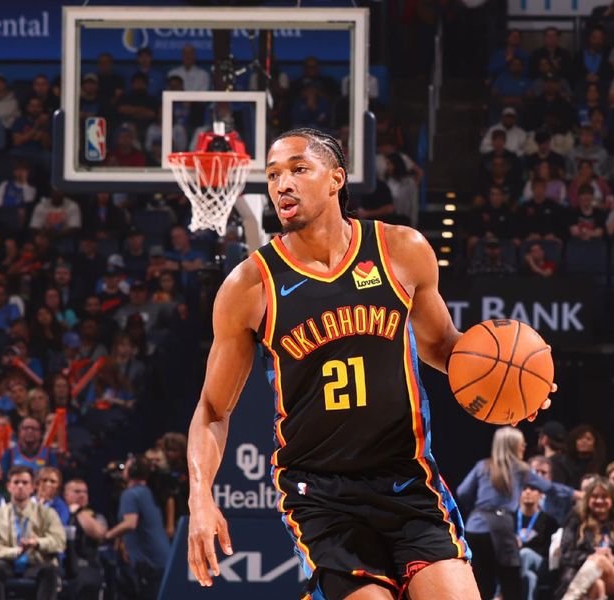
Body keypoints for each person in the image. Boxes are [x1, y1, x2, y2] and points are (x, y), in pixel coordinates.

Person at [186, 127, 554, 598]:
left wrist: (513, 388)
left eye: (299, 169)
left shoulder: (401, 251)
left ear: (337, 178)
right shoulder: (250, 286)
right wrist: (200, 496)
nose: (282, 184)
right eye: (273, 174)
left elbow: (443, 347)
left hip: (407, 477)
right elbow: (213, 410)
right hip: (321, 494)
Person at [456, 427, 575, 600]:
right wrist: (574, 494)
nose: (524, 447)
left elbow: (462, 493)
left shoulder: (482, 466)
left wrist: (478, 510)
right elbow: (548, 487)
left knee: (482, 582)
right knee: (511, 581)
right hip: (501, 528)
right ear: (512, 446)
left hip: (474, 527)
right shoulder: (520, 469)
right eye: (521, 444)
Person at [0, 466, 65, 600]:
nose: (20, 486)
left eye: (25, 482)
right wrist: (14, 551)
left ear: (32, 487)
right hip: (8, 563)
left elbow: (59, 541)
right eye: (16, 482)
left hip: (36, 562)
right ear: (8, 486)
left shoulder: (47, 513)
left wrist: (37, 543)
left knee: (50, 570)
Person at [104, 455, 170, 600]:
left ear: (131, 471)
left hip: (149, 565)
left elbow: (130, 523)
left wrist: (107, 535)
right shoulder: (147, 492)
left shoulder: (130, 494)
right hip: (161, 561)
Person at [63, 479, 106, 600]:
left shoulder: (95, 516)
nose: (82, 495)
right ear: (65, 495)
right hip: (61, 566)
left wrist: (79, 512)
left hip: (85, 566)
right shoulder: (57, 512)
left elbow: (100, 534)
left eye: (85, 492)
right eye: (77, 491)